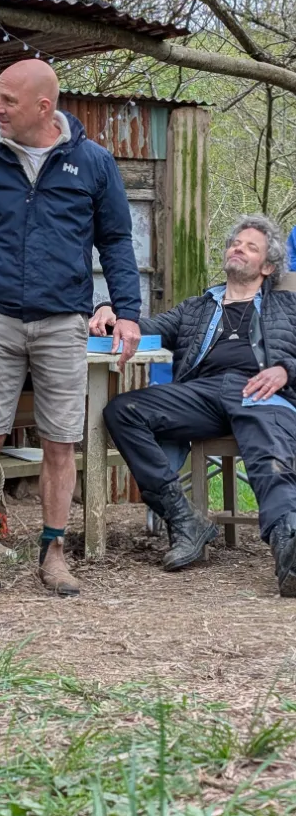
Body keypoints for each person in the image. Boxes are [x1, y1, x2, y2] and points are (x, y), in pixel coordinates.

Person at [0, 58, 142, 596]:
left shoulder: (93, 163)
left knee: (60, 443)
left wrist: (127, 313)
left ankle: (54, 553)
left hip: (62, 322)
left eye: (8, 99)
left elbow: (117, 242)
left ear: (43, 107)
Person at [91, 214, 297, 598]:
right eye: (236, 242)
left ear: (268, 267)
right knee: (123, 411)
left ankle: (289, 547)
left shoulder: (287, 306)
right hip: (201, 394)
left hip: (260, 393)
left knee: (271, 453)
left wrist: (286, 369)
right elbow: (142, 328)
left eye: (251, 247)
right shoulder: (199, 307)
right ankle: (185, 520)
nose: (239, 247)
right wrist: (111, 313)